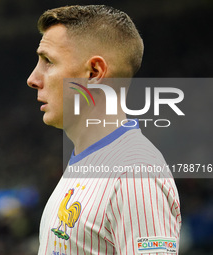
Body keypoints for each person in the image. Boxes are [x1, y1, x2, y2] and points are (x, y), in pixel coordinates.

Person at [27, 5, 181, 255]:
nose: (33, 78)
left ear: (94, 73)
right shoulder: (87, 163)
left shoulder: (134, 174)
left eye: (48, 61)